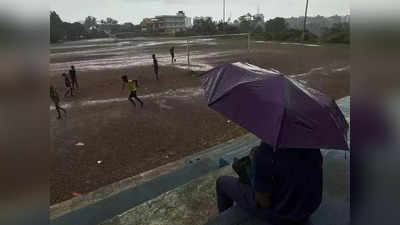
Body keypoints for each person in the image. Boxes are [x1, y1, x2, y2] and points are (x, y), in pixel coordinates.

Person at [216, 142, 323, 225]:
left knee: (221, 182)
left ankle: (224, 220)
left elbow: (263, 202)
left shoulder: (266, 152)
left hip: (282, 216)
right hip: (308, 210)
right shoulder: (312, 145)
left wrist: (255, 165)